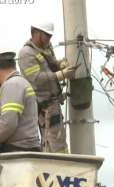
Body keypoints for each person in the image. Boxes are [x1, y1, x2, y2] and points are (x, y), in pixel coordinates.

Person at [18, 22, 77, 153]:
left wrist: (60, 64)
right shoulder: (26, 53)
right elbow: (36, 78)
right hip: (44, 106)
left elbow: (51, 63)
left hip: (53, 102)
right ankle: (59, 166)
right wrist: (60, 75)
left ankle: (60, 164)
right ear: (37, 33)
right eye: (47, 36)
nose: (50, 39)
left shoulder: (46, 47)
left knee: (57, 138)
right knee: (53, 140)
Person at [0, 49, 41, 154]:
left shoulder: (12, 85)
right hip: (24, 151)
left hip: (19, 153)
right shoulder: (18, 83)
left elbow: (8, 123)